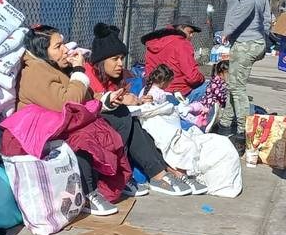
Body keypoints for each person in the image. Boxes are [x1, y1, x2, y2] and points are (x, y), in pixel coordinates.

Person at [17, 25, 130, 216]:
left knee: (120, 118)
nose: (65, 50)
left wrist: (107, 101)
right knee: (83, 137)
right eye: (58, 46)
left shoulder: (53, 68)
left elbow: (84, 97)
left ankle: (115, 178)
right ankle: (87, 192)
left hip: (61, 124)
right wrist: (78, 70)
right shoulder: (35, 72)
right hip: (41, 135)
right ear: (42, 51)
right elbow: (67, 102)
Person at [85, 23, 206, 195]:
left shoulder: (114, 77)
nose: (120, 64)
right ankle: (159, 173)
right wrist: (119, 100)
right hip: (95, 128)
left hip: (114, 121)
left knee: (140, 120)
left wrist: (138, 100)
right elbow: (91, 101)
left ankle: (164, 170)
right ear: (101, 61)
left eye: (121, 58)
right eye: (115, 59)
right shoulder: (86, 75)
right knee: (127, 118)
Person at [215, 0, 273, 145]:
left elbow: (247, 2)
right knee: (234, 85)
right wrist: (264, 37)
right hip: (256, 41)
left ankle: (242, 134)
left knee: (237, 88)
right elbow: (266, 12)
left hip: (244, 41)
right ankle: (224, 125)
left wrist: (228, 30)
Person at [140, 15, 205, 97]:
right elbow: (193, 78)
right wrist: (202, 78)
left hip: (153, 91)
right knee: (213, 87)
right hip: (178, 93)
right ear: (181, 29)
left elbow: (148, 71)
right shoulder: (182, 44)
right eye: (190, 32)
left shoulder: (153, 43)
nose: (192, 36)